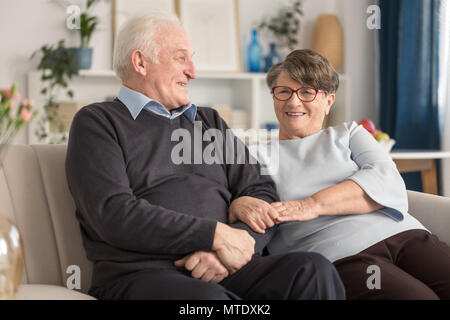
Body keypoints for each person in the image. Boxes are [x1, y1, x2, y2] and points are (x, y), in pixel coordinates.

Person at [65, 13, 345, 300]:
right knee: (206, 302)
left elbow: (261, 191)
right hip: (143, 275)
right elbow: (114, 213)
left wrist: (233, 248)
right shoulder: (98, 122)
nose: (193, 71)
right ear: (140, 62)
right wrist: (214, 235)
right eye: (180, 58)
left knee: (312, 270)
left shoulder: (208, 121)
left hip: (229, 269)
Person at [236, 49, 450, 300]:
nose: (294, 102)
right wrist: (239, 204)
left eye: (307, 92)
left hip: (408, 236)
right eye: (284, 91)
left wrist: (312, 205)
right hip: (343, 256)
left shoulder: (349, 134)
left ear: (328, 101)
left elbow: (388, 179)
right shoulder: (254, 156)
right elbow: (242, 204)